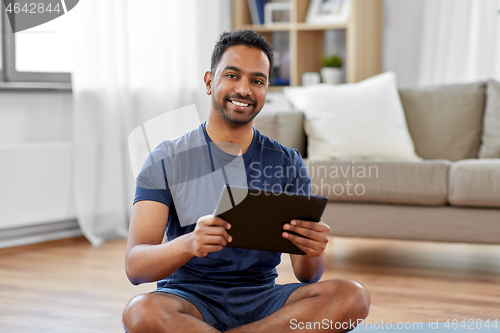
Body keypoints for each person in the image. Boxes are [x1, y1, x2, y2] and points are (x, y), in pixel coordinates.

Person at [123, 30, 370, 333]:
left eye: (257, 81)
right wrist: (189, 243)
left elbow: (308, 276)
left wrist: (314, 250)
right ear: (209, 81)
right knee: (140, 312)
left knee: (351, 296)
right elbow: (136, 267)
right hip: (188, 300)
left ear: (267, 90)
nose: (244, 89)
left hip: (263, 300)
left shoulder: (287, 162)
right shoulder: (166, 158)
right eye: (232, 75)